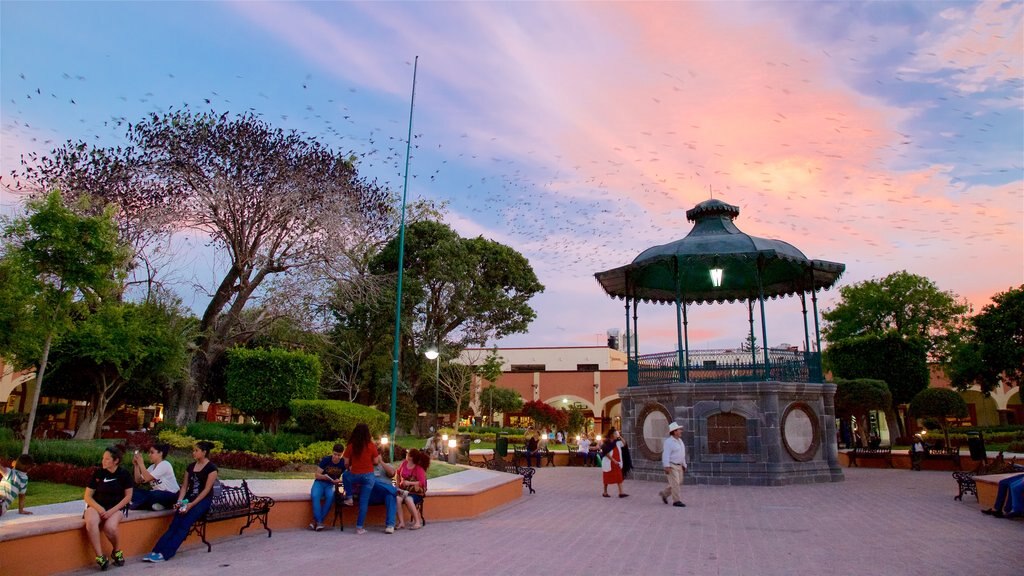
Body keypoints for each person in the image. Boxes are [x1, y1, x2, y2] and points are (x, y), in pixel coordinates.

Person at [143, 441, 219, 563]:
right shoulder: (190, 467)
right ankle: (156, 551)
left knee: (184, 525)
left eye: (196, 451)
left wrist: (191, 505)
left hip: (202, 501)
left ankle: (166, 553)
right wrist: (180, 502)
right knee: (174, 524)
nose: (193, 453)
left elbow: (206, 490)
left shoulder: (212, 469)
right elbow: (184, 487)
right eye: (193, 450)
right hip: (188, 499)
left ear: (204, 452)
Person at [84, 446, 133, 570]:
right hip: (97, 505)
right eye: (103, 459)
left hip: (116, 508)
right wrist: (99, 509)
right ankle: (100, 557)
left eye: (107, 459)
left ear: (115, 461)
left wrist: (111, 511)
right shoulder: (98, 473)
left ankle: (116, 551)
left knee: (110, 527)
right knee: (91, 521)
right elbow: (87, 496)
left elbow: (128, 497)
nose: (103, 461)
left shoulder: (124, 474)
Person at [341, 442, 398, 533]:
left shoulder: (386, 465)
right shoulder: (366, 467)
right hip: (370, 495)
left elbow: (392, 473)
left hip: (383, 495)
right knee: (372, 481)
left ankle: (390, 526)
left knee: (390, 495)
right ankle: (396, 490)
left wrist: (381, 462)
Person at [341, 423, 380, 535]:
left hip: (355, 474)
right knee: (364, 502)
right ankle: (359, 527)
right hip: (368, 476)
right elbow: (376, 461)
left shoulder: (351, 446)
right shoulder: (371, 445)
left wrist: (350, 467)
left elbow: (346, 463)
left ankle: (349, 498)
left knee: (345, 476)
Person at [130, 443, 180, 511]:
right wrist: (136, 466)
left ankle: (139, 505)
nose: (149, 455)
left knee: (153, 494)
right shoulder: (152, 467)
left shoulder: (165, 464)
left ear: (160, 453)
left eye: (152, 452)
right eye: (149, 453)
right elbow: (138, 480)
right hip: (155, 494)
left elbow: (147, 478)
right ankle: (156, 505)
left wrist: (141, 463)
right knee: (132, 492)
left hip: (171, 495)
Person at [309, 443, 346, 531]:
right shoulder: (326, 460)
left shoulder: (343, 463)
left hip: (331, 484)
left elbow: (347, 476)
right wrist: (324, 477)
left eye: (339, 455)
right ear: (332, 452)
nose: (336, 457)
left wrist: (339, 481)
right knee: (315, 496)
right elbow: (317, 475)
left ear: (342, 454)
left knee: (330, 497)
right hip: (320, 482)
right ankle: (319, 522)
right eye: (335, 454)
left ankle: (316, 521)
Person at [396, 448, 429, 530]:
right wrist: (398, 484)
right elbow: (398, 473)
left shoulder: (418, 468)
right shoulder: (404, 463)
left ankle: (417, 522)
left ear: (411, 457)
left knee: (408, 499)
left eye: (408, 454)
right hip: (403, 490)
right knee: (397, 499)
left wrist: (409, 483)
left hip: (415, 492)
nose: (406, 455)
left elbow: (421, 483)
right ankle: (401, 522)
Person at [659, 422, 687, 507]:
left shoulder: (680, 441)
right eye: (679, 430)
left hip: (679, 465)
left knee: (678, 482)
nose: (681, 431)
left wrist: (684, 464)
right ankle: (676, 501)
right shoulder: (669, 442)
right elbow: (665, 455)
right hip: (672, 465)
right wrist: (666, 466)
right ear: (674, 432)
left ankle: (664, 493)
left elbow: (682, 453)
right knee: (675, 483)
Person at [601, 428, 627, 498]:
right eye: (615, 434)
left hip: (617, 462)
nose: (616, 435)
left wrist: (620, 436)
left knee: (619, 477)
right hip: (609, 462)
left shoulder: (617, 442)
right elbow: (606, 453)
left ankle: (621, 493)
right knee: (606, 477)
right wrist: (613, 460)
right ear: (612, 435)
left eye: (617, 434)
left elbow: (624, 444)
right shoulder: (606, 442)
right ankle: (605, 492)